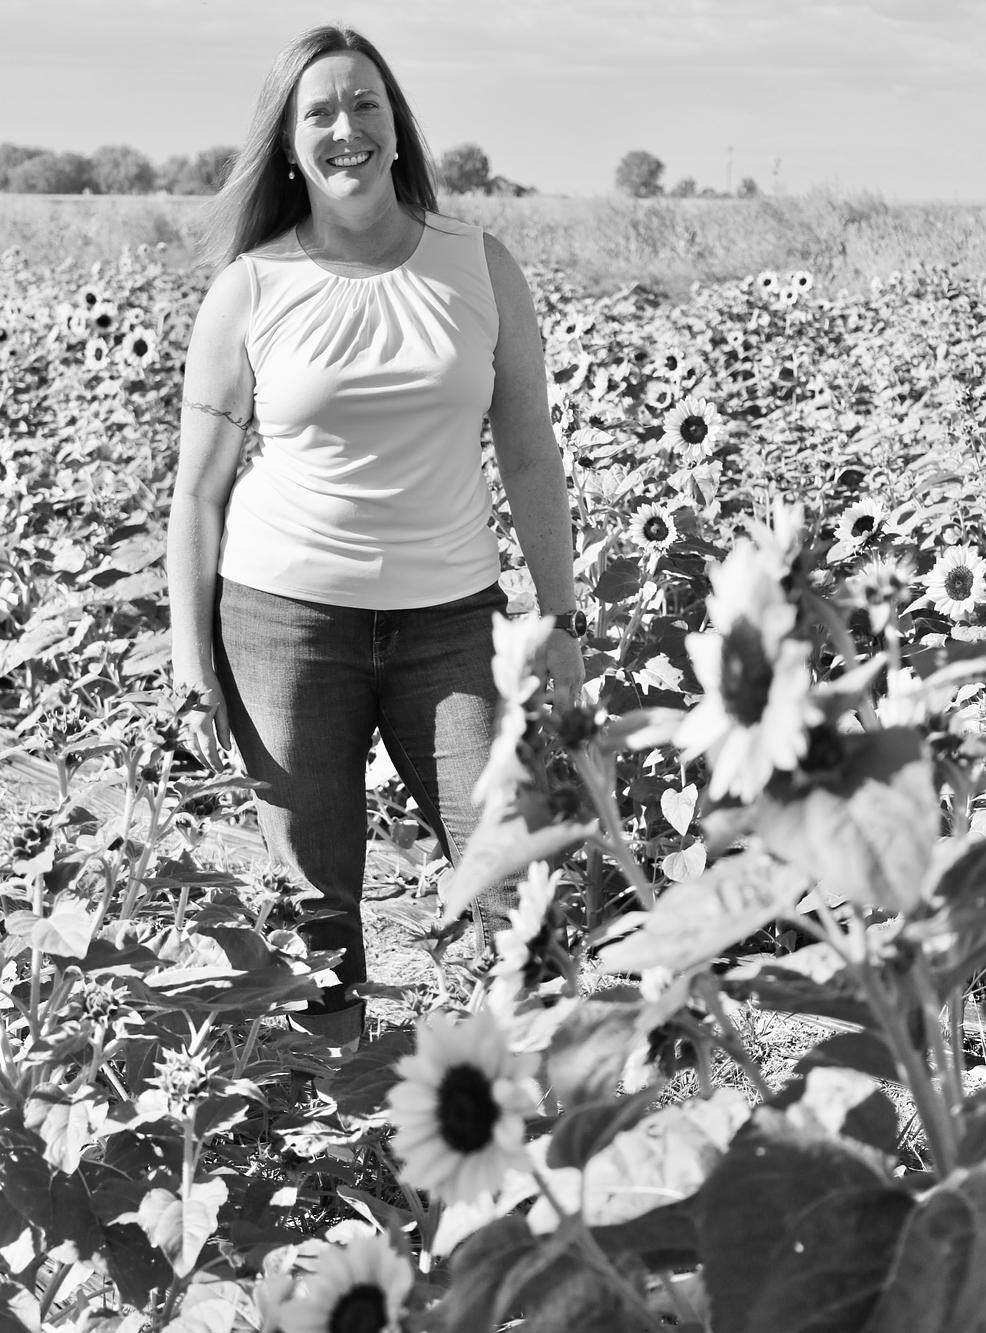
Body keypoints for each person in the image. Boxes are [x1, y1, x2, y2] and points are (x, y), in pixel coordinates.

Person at [166, 23, 584, 1049]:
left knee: (511, 876)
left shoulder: (478, 264)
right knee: (315, 912)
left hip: (453, 622)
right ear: (288, 144)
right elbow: (198, 495)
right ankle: (335, 1114)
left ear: (397, 127)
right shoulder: (250, 289)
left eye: (364, 104)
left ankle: (527, 1106)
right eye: (318, 113)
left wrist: (563, 619)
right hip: (283, 624)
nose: (344, 128)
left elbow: (530, 455)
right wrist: (189, 661)